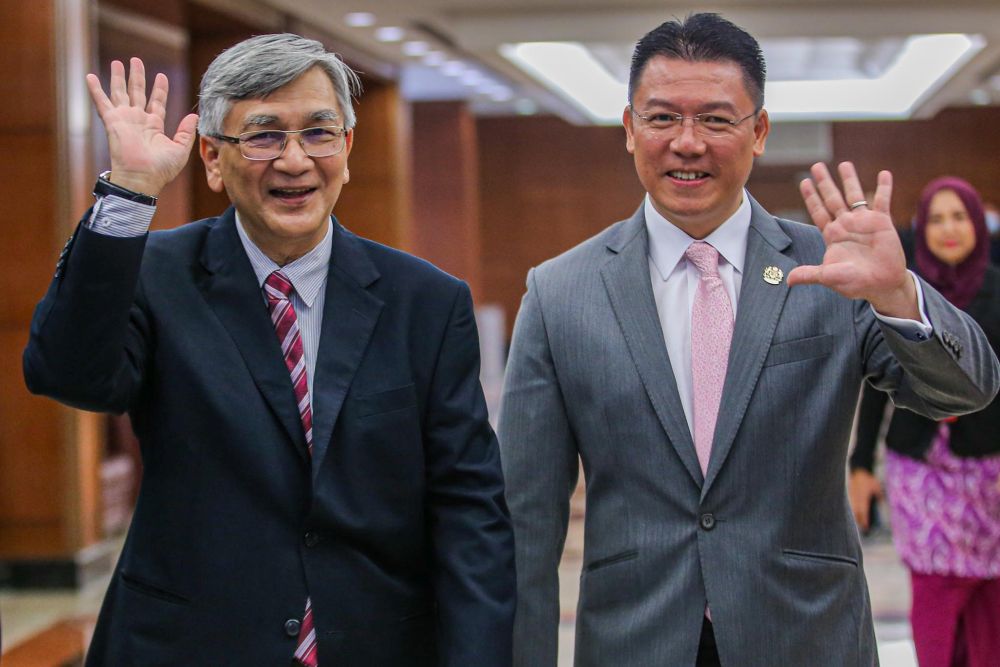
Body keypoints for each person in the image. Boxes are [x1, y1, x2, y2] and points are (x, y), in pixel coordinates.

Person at [497, 13, 999, 667]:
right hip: (635, 640)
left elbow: (967, 389)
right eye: (661, 118)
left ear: (758, 131)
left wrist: (898, 292)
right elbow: (524, 521)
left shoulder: (830, 268)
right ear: (628, 129)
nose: (687, 142)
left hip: (806, 636)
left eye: (715, 119)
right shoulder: (562, 292)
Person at [23, 34, 515, 667]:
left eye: (318, 132)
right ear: (211, 157)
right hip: (188, 646)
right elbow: (68, 375)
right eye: (262, 135)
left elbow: (468, 506)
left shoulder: (426, 301)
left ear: (348, 148)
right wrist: (129, 193)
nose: (294, 160)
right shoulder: (154, 275)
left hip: (376, 644)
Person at [850, 176, 1000, 667]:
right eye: (937, 218)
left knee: (990, 597)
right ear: (921, 228)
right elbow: (876, 387)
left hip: (990, 471)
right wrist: (861, 465)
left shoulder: (998, 290)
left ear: (978, 225)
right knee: (935, 590)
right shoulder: (904, 290)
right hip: (919, 468)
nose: (949, 228)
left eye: (959, 216)